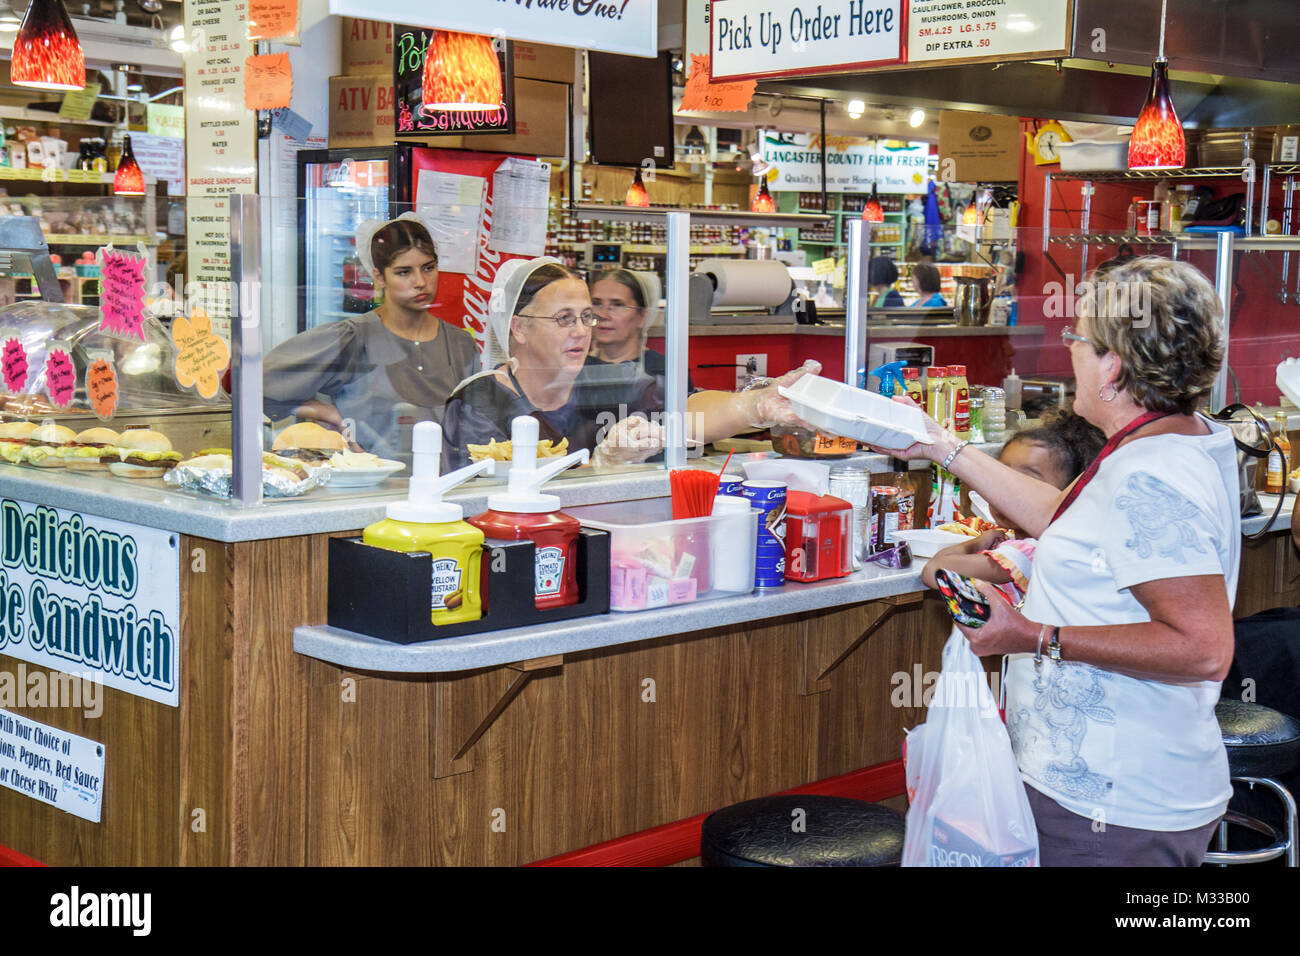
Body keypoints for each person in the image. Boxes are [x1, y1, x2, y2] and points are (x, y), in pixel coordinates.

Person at [875, 256, 1240, 866]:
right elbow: (1066, 517)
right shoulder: (1172, 434)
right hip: (1108, 784)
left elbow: (1204, 647)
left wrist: (1031, 635)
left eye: (1077, 337)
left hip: (1112, 803)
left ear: (1112, 366)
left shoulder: (1148, 475)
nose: (1067, 348)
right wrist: (944, 447)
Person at [441, 257, 818, 470]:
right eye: (563, 318)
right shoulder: (479, 402)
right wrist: (600, 467)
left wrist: (754, 405)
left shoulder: (602, 378)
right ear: (518, 328)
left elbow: (684, 409)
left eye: (586, 316)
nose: (581, 331)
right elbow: (489, 496)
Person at [263, 215, 478, 460]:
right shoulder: (351, 339)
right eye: (404, 272)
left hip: (448, 486)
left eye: (428, 268)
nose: (421, 282)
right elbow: (257, 384)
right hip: (371, 488)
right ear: (378, 276)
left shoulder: (461, 344)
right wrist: (327, 412)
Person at [921, 410, 1105, 606]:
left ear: (1063, 494)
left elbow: (935, 571)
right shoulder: (1015, 541)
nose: (1005, 491)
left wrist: (974, 544)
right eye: (1003, 476)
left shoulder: (1026, 551)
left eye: (1025, 480)